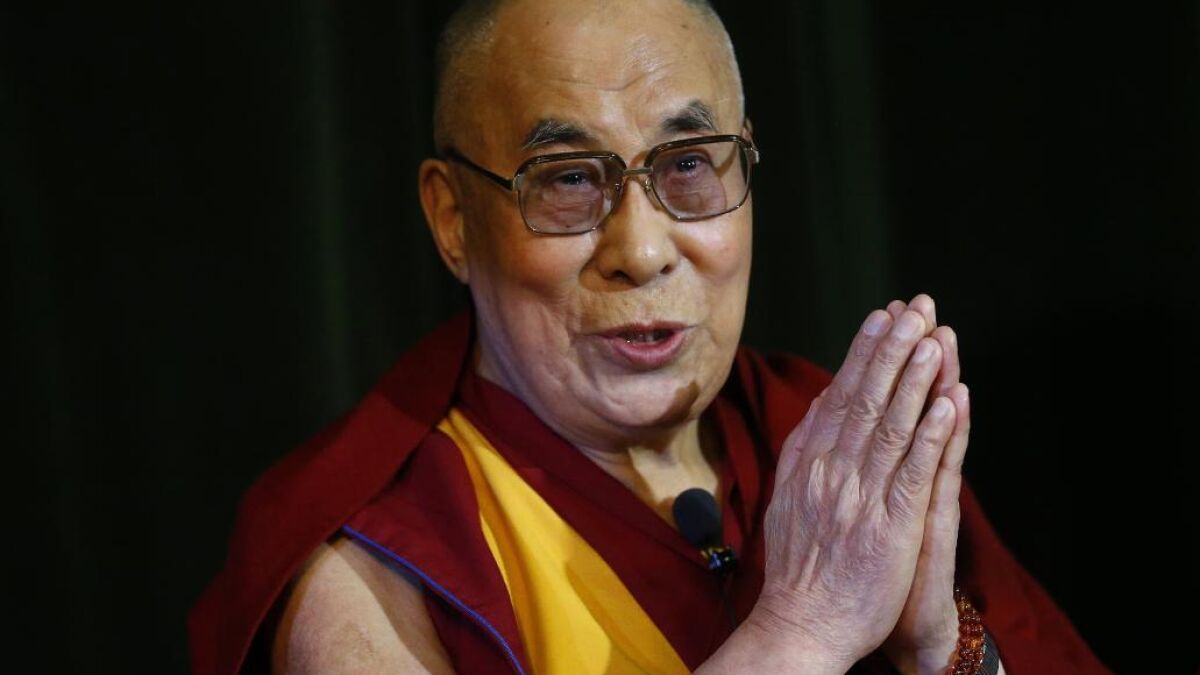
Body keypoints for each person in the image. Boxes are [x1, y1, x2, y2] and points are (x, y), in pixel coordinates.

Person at [189, 1, 1109, 673]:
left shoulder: (836, 459)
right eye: (567, 179)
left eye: (689, 165)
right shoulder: (371, 561)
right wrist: (800, 632)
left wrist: (941, 650)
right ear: (453, 218)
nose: (640, 249)